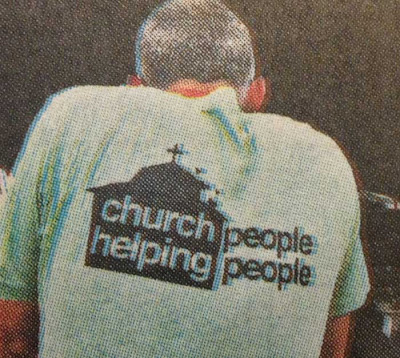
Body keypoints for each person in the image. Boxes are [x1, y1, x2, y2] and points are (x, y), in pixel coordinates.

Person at [0, 0, 370, 357]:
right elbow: (330, 348)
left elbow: (12, 336)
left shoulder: (72, 120)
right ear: (257, 94)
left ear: (136, 88)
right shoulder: (325, 163)